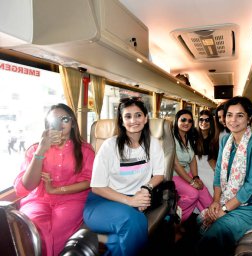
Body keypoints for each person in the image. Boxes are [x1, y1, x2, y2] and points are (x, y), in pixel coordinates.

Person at [83, 98, 165, 256]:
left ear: (146, 118)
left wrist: (145, 190)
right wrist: (130, 201)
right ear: (121, 120)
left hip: (133, 199)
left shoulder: (153, 144)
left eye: (138, 115)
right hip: (101, 202)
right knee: (135, 221)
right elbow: (97, 187)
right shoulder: (109, 146)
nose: (133, 120)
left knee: (118, 239)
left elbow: (159, 175)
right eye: (128, 116)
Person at [14, 103, 95, 256]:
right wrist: (41, 151)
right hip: (39, 199)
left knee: (58, 230)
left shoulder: (85, 150)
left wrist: (57, 190)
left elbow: (89, 181)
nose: (60, 124)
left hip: (72, 199)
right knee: (33, 229)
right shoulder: (35, 149)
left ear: (72, 123)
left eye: (64, 119)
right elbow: (24, 187)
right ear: (47, 124)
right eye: (54, 120)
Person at [197, 96, 252, 256]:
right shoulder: (225, 140)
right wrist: (215, 202)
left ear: (249, 118)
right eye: (229, 115)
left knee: (214, 233)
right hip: (226, 200)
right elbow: (218, 172)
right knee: (200, 220)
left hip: (251, 204)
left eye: (240, 115)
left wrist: (224, 209)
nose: (233, 120)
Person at [172, 109, 212, 222]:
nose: (186, 123)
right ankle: (177, 221)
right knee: (193, 194)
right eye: (183, 120)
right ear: (177, 121)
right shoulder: (171, 138)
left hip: (187, 171)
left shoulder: (188, 137)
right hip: (174, 174)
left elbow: (193, 159)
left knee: (203, 190)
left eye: (189, 121)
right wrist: (191, 182)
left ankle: (209, 217)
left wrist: (196, 177)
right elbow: (175, 165)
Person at [196, 109, 219, 196]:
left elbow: (212, 159)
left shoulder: (215, 138)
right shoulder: (193, 135)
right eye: (201, 119)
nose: (204, 122)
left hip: (208, 166)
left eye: (207, 120)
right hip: (195, 167)